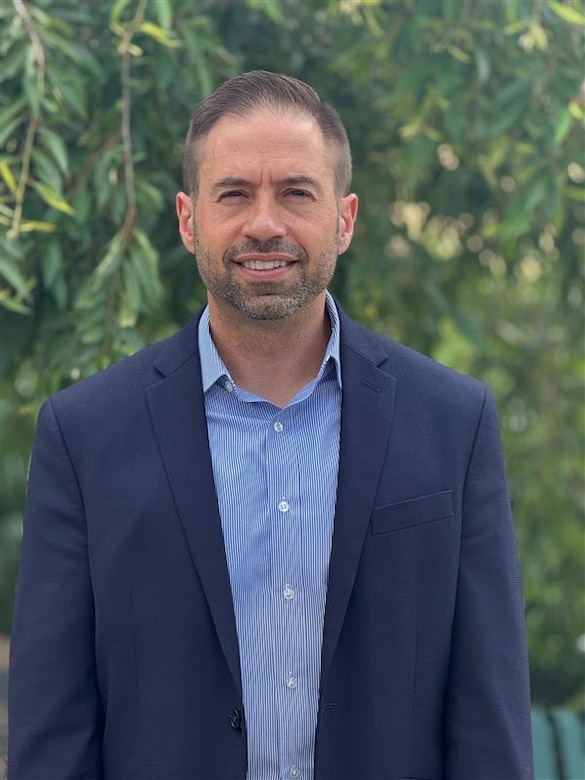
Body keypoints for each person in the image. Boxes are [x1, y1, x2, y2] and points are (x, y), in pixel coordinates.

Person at [8, 70, 534, 780]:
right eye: (234, 193)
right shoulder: (85, 436)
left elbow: (488, 722)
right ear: (189, 219)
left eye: (295, 192)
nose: (264, 222)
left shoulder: (451, 424)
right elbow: (53, 730)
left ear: (343, 219)